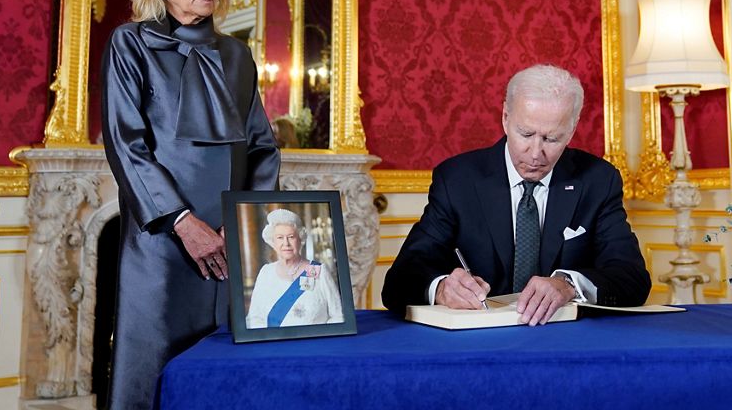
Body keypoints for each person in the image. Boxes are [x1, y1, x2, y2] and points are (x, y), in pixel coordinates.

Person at [101, 0, 280, 410]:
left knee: (224, 364)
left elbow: (263, 147)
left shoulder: (238, 55)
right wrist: (183, 222)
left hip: (230, 238)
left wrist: (245, 223)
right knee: (152, 362)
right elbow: (126, 143)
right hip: (161, 236)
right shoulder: (130, 44)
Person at [382, 64, 651, 325]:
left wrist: (568, 285)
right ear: (505, 119)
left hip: (563, 338)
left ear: (572, 130)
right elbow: (399, 281)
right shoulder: (457, 180)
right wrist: (441, 289)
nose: (535, 153)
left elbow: (632, 278)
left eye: (552, 139)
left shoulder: (598, 180)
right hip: (478, 343)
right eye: (525, 134)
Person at [245, 208, 344, 327]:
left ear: (300, 239)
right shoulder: (266, 272)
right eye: (280, 238)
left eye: (291, 237)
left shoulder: (320, 271)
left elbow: (338, 316)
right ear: (273, 242)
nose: (286, 243)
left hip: (313, 343)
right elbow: (254, 318)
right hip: (275, 344)